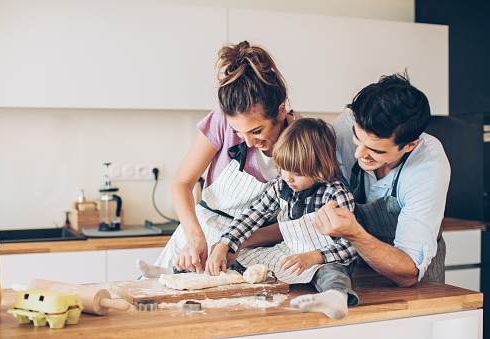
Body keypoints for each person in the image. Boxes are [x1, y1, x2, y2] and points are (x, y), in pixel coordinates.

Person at [141, 41, 299, 276]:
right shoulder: (222, 120)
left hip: (256, 246)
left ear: (281, 110)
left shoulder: (303, 141)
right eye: (238, 132)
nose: (247, 142)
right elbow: (181, 183)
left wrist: (233, 241)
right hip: (203, 233)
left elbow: (297, 222)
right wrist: (195, 237)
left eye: (256, 131)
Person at [207, 118, 359, 320]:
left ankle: (335, 298)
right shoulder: (282, 185)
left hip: (325, 258)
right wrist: (224, 244)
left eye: (297, 172)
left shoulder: (336, 195)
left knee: (332, 274)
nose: (288, 177)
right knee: (240, 259)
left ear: (320, 167)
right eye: (284, 168)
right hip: (290, 253)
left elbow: (351, 246)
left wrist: (315, 257)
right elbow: (252, 215)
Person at [314, 73, 450, 287]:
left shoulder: (427, 168)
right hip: (362, 277)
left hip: (414, 288)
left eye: (375, 150)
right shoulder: (348, 123)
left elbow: (409, 271)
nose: (359, 154)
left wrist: (354, 233)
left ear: (409, 145)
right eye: (357, 138)